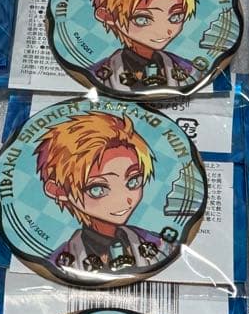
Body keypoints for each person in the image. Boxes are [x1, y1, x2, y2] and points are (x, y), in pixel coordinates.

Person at [35, 111, 167, 276]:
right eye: (97, 189)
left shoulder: (159, 244)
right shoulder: (57, 262)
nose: (124, 199)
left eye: (133, 181)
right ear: (59, 190)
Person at [89, 0, 199, 90]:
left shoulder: (190, 69)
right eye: (142, 19)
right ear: (107, 16)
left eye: (175, 17)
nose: (164, 31)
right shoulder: (96, 74)